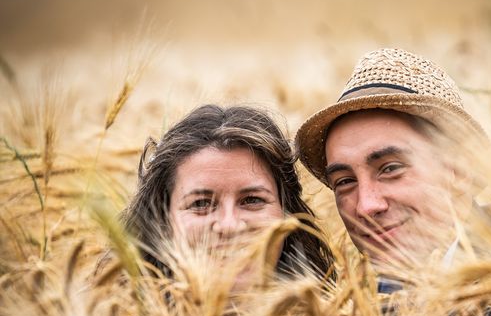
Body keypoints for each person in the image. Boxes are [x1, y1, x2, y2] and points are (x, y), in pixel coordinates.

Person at [295, 48, 488, 276]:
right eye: (345, 181)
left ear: (458, 171)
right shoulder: (367, 298)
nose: (366, 206)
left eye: (390, 169)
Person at [121, 104, 334, 285]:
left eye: (252, 200)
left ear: (288, 216)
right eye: (201, 203)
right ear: (162, 221)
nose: (229, 225)